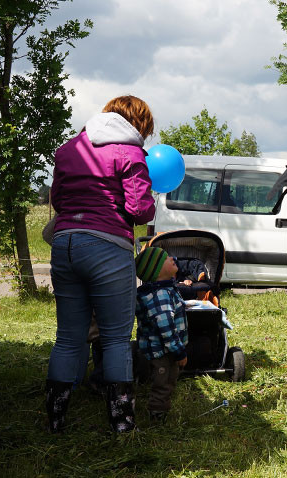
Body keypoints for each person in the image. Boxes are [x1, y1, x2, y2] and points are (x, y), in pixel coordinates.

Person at [46, 95, 156, 433]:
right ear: (137, 123)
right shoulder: (130, 152)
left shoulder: (69, 149)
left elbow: (59, 200)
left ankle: (54, 419)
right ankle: (122, 424)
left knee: (68, 337)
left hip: (64, 244)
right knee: (116, 339)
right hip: (107, 246)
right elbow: (139, 210)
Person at [134, 247, 188, 423]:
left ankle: (160, 408)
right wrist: (178, 351)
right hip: (162, 351)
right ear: (156, 271)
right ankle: (157, 414)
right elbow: (165, 327)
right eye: (166, 258)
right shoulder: (160, 295)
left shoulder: (165, 289)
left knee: (168, 379)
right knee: (163, 382)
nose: (172, 258)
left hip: (162, 349)